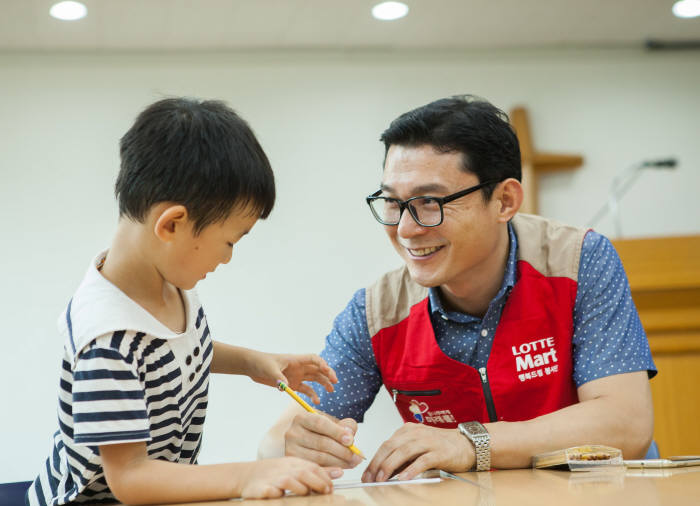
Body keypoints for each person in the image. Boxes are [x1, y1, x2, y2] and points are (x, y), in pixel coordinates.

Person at [259, 95, 656, 482]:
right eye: (393, 203)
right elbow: (276, 442)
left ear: (504, 200)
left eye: (429, 202)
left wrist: (472, 443)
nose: (405, 229)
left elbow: (626, 423)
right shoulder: (375, 312)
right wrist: (297, 445)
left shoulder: (579, 261)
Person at [26, 97, 344, 505]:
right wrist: (247, 475)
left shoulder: (165, 281)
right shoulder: (107, 339)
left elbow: (176, 351)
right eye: (229, 241)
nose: (228, 257)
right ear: (172, 224)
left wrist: (252, 363)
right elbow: (130, 477)